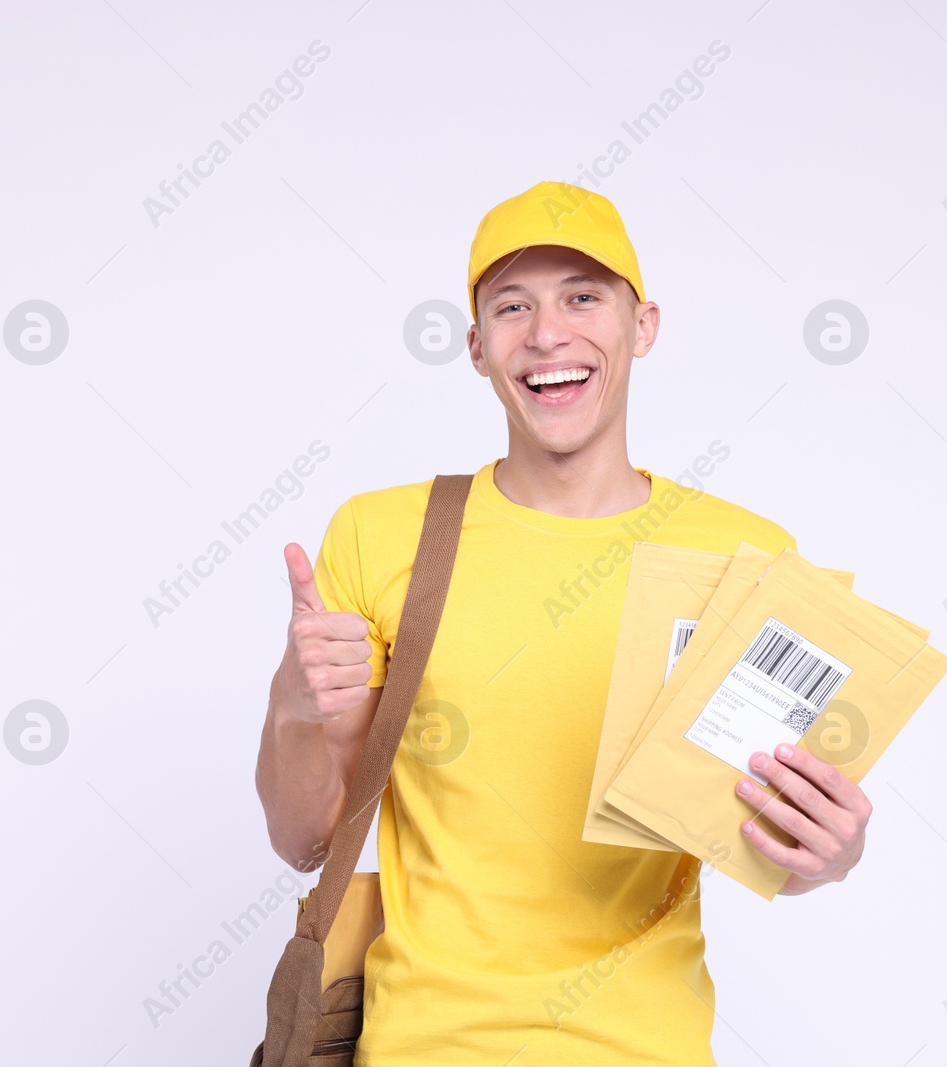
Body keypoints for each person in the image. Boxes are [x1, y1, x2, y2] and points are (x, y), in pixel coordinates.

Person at [254, 180, 874, 1065]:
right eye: (513, 307)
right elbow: (301, 837)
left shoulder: (747, 554)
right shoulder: (383, 534)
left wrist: (833, 849)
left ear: (643, 325)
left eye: (583, 297)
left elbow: (786, 842)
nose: (548, 334)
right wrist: (294, 701)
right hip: (427, 1047)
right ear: (476, 347)